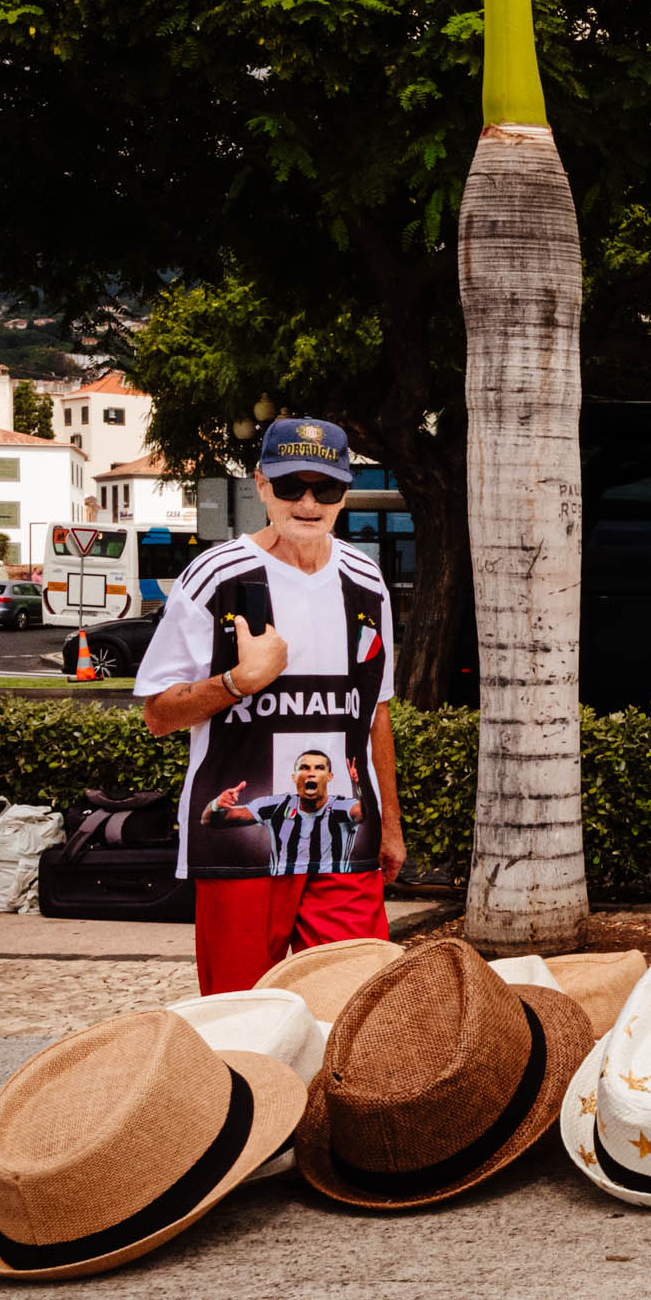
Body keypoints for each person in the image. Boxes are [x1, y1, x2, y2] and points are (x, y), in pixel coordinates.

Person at [139, 417, 406, 995]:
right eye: (291, 487)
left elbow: (375, 711)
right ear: (261, 485)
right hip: (241, 846)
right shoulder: (216, 577)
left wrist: (391, 826)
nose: (307, 503)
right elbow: (157, 712)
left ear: (344, 493)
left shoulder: (367, 581)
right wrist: (238, 681)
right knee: (243, 1019)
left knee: (353, 1013)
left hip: (345, 842)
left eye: (325, 489)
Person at [200, 751, 368, 878]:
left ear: (329, 777)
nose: (311, 773)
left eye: (319, 768)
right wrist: (217, 805)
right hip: (284, 894)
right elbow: (210, 820)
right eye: (304, 768)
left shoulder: (341, 807)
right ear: (294, 777)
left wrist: (362, 786)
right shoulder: (276, 806)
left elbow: (364, 812)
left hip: (331, 893)